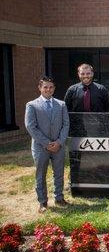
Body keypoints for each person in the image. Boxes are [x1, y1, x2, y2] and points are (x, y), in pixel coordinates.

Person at [25, 77, 70, 213]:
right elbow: (30, 126)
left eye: (51, 87)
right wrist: (46, 143)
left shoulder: (61, 104)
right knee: (41, 174)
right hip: (40, 147)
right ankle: (43, 202)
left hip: (58, 146)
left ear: (54, 88)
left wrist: (59, 142)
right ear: (40, 88)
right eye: (45, 87)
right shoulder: (32, 105)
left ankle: (59, 198)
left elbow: (66, 124)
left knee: (59, 172)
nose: (48, 89)